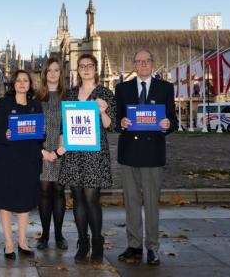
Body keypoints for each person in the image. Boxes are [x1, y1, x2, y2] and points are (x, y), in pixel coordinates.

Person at [115, 48, 177, 266]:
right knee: (131, 203)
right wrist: (120, 123)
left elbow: (173, 119)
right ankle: (133, 246)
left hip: (152, 154)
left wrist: (167, 124)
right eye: (138, 62)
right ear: (134, 65)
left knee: (151, 203)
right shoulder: (122, 88)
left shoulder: (165, 88)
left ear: (152, 64)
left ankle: (152, 247)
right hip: (129, 153)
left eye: (146, 61)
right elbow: (117, 119)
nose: (142, 65)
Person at [58, 53, 116, 263]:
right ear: (78, 70)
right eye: (82, 66)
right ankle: (83, 242)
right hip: (74, 153)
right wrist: (61, 141)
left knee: (92, 199)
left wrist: (103, 111)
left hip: (95, 153)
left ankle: (98, 241)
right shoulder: (71, 95)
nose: (86, 69)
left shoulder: (104, 93)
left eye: (89, 65)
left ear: (96, 68)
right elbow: (65, 125)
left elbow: (112, 125)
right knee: (78, 199)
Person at [0, 69, 43, 260]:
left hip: (28, 160)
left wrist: (43, 131)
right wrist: (4, 134)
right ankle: (8, 243)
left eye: (26, 80)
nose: (22, 83)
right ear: (13, 84)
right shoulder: (3, 103)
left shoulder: (36, 105)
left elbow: (40, 137)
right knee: (6, 201)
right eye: (19, 80)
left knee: (24, 202)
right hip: (7, 159)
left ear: (30, 84)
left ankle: (22, 241)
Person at [35, 58, 68, 250]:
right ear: (45, 74)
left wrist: (60, 150)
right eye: (50, 70)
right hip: (42, 151)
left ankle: (59, 234)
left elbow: (71, 125)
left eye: (57, 70)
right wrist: (43, 152)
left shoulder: (68, 97)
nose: (53, 73)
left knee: (59, 190)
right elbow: (31, 129)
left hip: (62, 149)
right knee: (45, 191)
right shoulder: (37, 99)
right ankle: (45, 235)